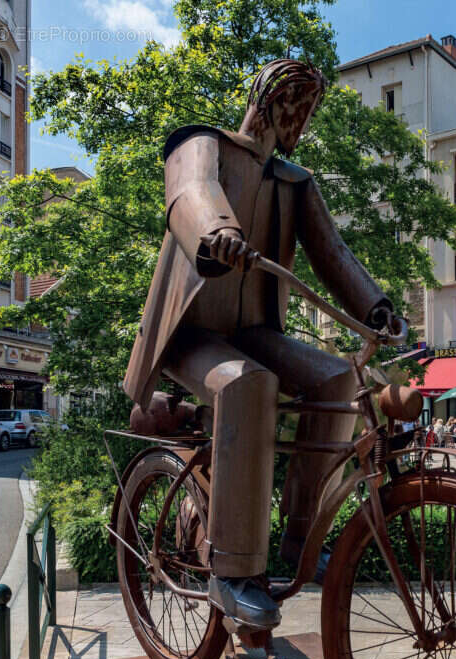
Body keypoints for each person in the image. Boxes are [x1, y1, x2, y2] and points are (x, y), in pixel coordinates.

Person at [121, 59, 405, 630]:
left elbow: (334, 254)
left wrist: (376, 306)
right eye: (292, 100)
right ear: (267, 97)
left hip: (254, 332)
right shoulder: (203, 145)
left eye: (307, 108)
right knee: (249, 383)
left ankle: (300, 542)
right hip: (189, 332)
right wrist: (217, 231)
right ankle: (232, 574)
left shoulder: (295, 183)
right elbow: (190, 193)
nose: (298, 116)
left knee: (337, 378)